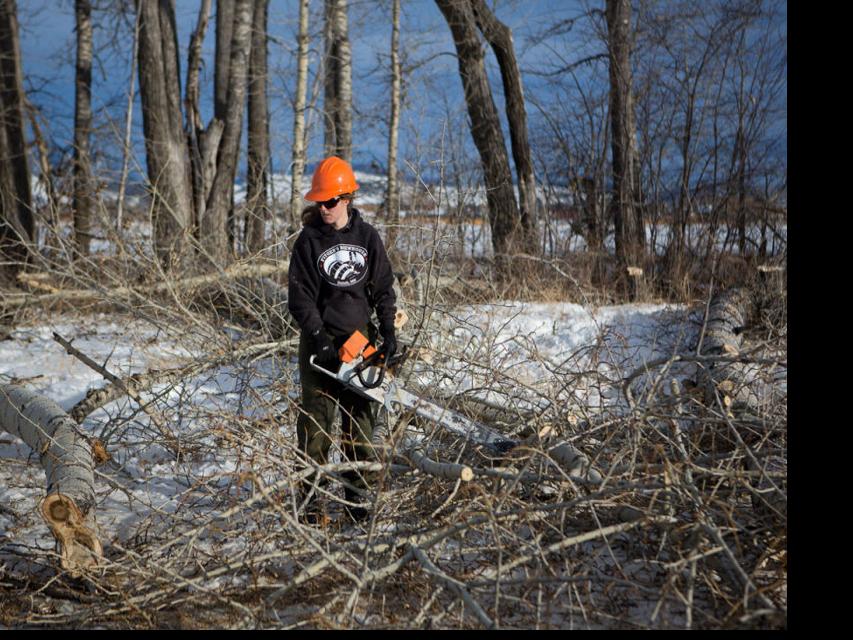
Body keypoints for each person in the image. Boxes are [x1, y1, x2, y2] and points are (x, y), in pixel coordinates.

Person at [287, 156, 397, 525]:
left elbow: (383, 288)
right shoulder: (309, 241)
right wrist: (319, 338)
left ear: (347, 197)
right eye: (319, 201)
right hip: (319, 342)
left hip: (359, 340)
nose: (324, 208)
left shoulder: (367, 237)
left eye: (331, 201)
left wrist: (388, 330)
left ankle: (357, 504)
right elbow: (300, 298)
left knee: (359, 425)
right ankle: (311, 506)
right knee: (316, 426)